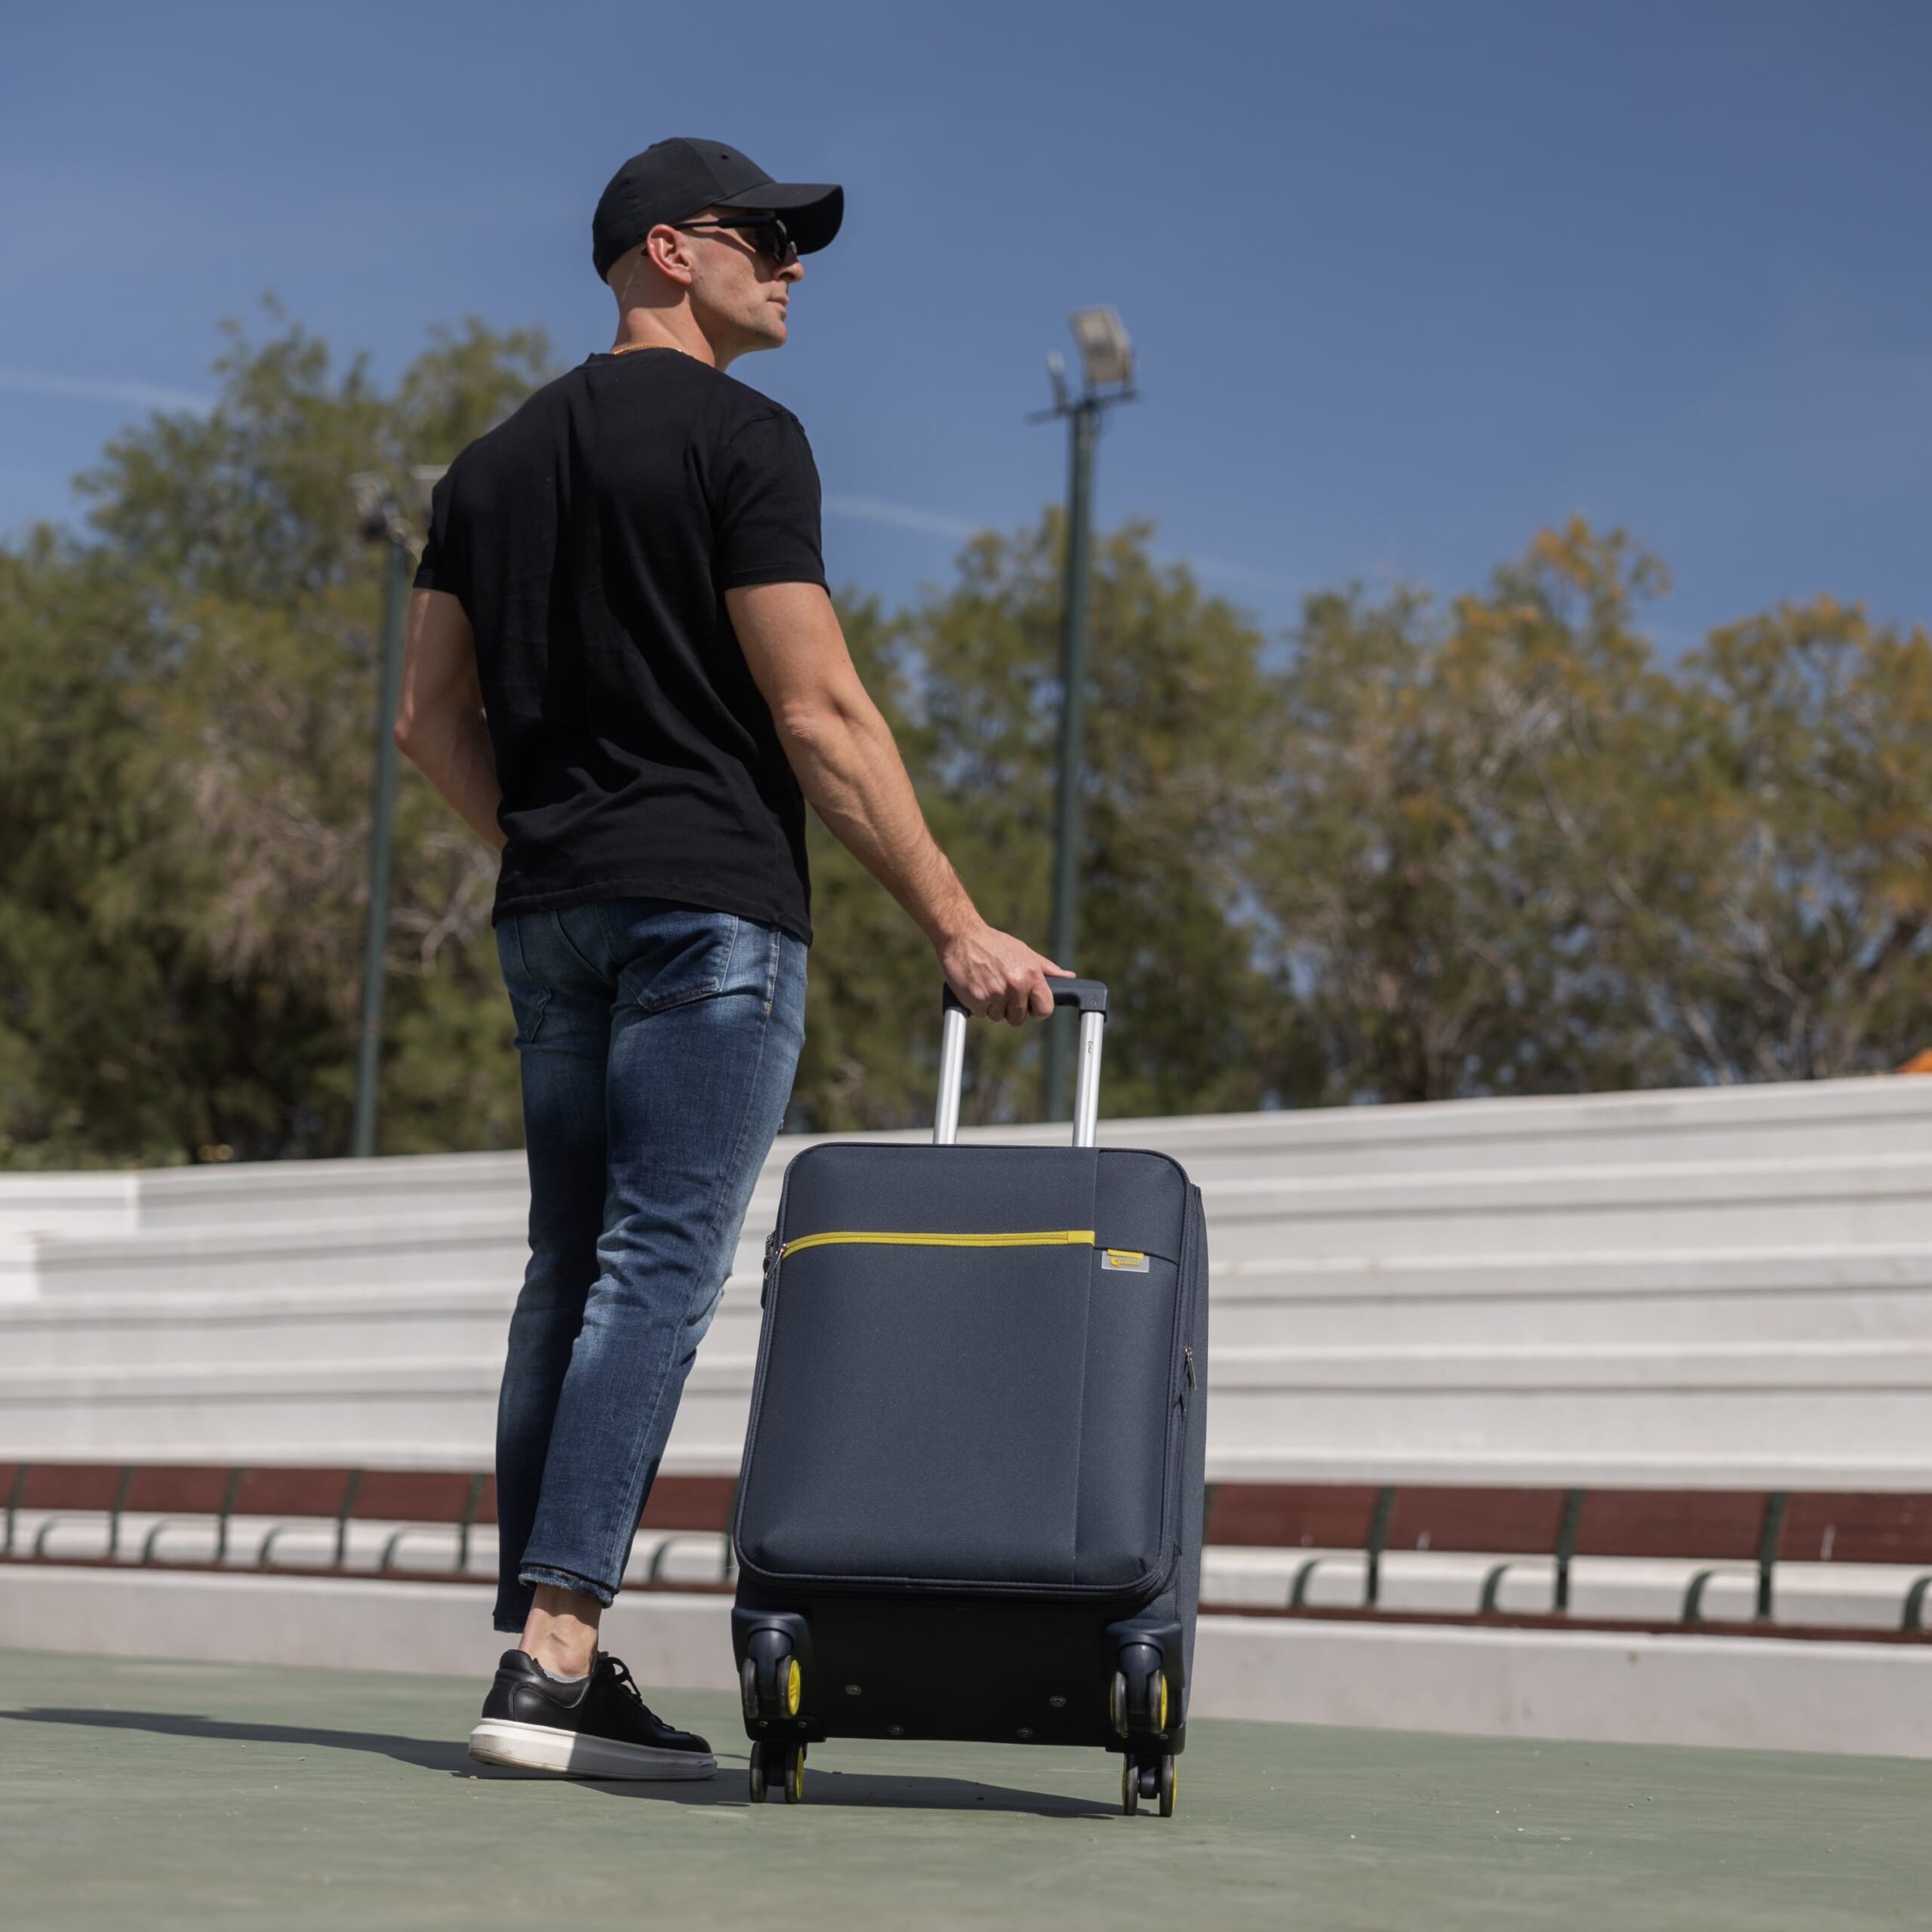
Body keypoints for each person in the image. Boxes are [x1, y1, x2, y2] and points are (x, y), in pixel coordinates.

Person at [396, 137, 1067, 1779]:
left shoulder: (484, 468)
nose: (792, 264)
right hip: (707, 913)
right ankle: (558, 1658)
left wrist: (551, 847)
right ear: (669, 250)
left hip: (552, 916)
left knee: (567, 1272)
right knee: (651, 1272)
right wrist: (957, 921)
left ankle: (541, 1651)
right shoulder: (744, 439)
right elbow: (818, 712)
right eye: (763, 237)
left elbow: (425, 723)